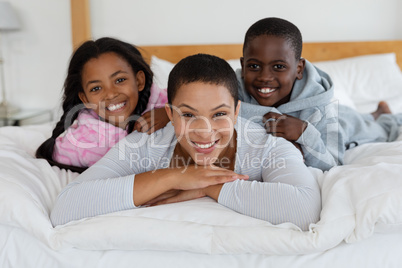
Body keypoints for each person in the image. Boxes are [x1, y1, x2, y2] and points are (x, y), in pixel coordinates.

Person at [50, 53, 321, 231]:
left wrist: (205, 186)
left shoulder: (268, 146)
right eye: (188, 114)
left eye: (219, 114)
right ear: (169, 114)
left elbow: (305, 208)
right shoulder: (146, 143)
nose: (204, 132)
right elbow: (67, 206)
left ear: (237, 112)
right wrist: (174, 178)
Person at [237, 17, 402, 171]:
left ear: (299, 69)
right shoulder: (229, 92)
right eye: (254, 66)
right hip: (332, 112)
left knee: (374, 129)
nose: (265, 77)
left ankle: (383, 115)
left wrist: (304, 132)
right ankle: (374, 113)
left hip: (337, 119)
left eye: (279, 67)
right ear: (243, 65)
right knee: (350, 114)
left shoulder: (321, 107)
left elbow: (333, 163)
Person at [36, 37, 169, 173]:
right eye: (96, 88)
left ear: (139, 81)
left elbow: (188, 107)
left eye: (120, 80)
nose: (110, 94)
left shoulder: (168, 102)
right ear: (85, 99)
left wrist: (170, 115)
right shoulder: (80, 144)